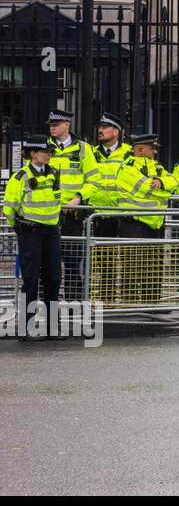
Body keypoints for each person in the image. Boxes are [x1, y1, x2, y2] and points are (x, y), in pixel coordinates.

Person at [3, 136, 64, 339]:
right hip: (31, 233)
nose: (48, 155)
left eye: (49, 152)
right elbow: (9, 208)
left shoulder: (54, 174)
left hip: (51, 233)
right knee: (30, 281)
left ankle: (52, 329)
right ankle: (26, 328)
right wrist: (18, 228)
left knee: (53, 279)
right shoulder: (20, 177)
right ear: (32, 153)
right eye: (45, 152)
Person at [115, 133, 179, 304]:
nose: (155, 152)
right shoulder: (127, 167)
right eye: (152, 148)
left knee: (154, 269)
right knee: (133, 268)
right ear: (140, 149)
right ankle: (129, 305)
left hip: (156, 224)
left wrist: (162, 182)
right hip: (135, 224)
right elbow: (147, 188)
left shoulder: (157, 168)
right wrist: (163, 187)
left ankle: (152, 304)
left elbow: (175, 182)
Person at [46, 110, 91, 300]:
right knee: (46, 260)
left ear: (67, 124)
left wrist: (78, 198)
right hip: (47, 213)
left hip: (73, 214)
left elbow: (93, 181)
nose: (52, 127)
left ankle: (74, 300)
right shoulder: (44, 146)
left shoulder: (82, 149)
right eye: (50, 124)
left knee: (73, 260)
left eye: (56, 124)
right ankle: (45, 299)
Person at [83, 113, 131, 237]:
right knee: (99, 254)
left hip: (121, 211)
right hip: (97, 212)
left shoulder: (129, 152)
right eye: (100, 127)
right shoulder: (91, 153)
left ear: (116, 132)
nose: (100, 130)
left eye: (105, 128)